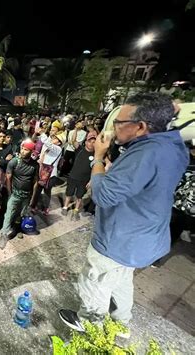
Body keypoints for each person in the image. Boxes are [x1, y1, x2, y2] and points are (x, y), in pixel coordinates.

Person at [59, 93, 189, 333]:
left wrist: (98, 158)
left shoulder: (145, 153)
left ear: (140, 127)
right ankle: (120, 323)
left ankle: (90, 323)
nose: (114, 127)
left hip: (120, 239)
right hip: (142, 238)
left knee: (95, 280)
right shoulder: (173, 145)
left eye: (119, 122)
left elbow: (104, 195)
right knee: (121, 280)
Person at [0, 139, 39, 249]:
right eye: (22, 148)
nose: (22, 151)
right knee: (9, 214)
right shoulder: (14, 162)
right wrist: (10, 193)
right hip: (15, 194)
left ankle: (18, 229)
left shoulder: (35, 165)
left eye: (26, 150)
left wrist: (33, 197)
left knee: (21, 214)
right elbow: (8, 178)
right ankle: (3, 235)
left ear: (31, 151)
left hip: (27, 195)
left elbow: (35, 182)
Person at [61, 131, 97, 220]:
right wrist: (76, 129)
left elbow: (95, 169)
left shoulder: (96, 155)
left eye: (94, 142)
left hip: (84, 180)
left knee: (79, 196)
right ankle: (65, 207)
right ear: (85, 142)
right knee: (69, 193)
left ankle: (76, 210)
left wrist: (91, 180)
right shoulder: (80, 149)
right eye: (89, 141)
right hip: (73, 176)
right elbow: (73, 141)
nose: (91, 144)